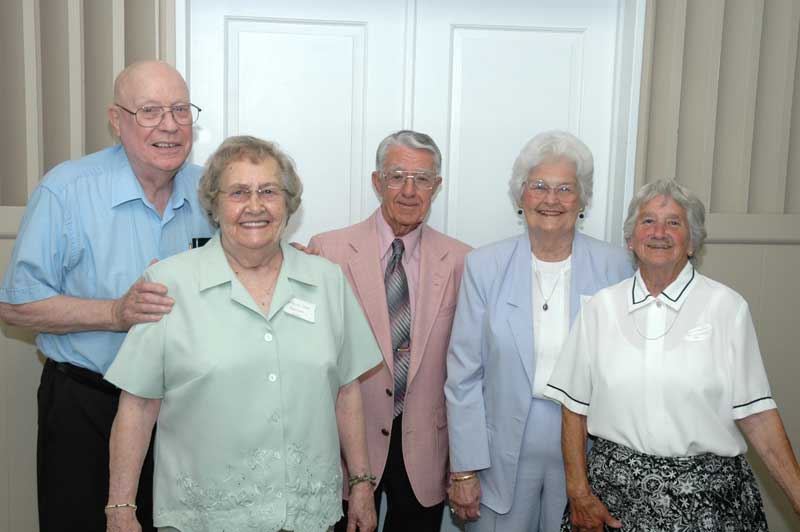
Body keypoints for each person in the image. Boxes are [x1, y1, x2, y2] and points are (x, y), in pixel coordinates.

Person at [104, 135, 382, 532]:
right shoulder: (168, 284)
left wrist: (360, 484)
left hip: (306, 516)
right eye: (238, 192)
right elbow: (137, 405)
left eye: (268, 191)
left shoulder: (327, 281)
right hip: (204, 517)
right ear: (215, 206)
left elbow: (346, 391)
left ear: (288, 203)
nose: (255, 206)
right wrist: (120, 507)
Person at [0, 60, 210, 532]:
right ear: (116, 120)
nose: (170, 126)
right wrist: (116, 312)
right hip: (87, 404)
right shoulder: (67, 189)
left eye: (180, 109)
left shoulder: (210, 191)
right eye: (150, 111)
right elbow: (15, 303)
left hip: (185, 409)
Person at [546, 179, 800, 531]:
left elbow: (756, 415)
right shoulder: (600, 308)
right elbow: (573, 408)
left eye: (674, 223)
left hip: (709, 507)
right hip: (613, 505)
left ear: (693, 242)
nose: (659, 232)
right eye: (647, 221)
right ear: (630, 240)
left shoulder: (726, 308)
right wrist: (578, 493)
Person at [445, 130, 632, 531]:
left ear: (582, 200)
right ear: (520, 196)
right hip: (499, 451)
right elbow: (463, 376)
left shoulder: (616, 267)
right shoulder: (484, 266)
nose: (551, 199)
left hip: (590, 447)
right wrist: (464, 470)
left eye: (565, 188)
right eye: (540, 187)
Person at [307, 130, 471, 532]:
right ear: (377, 182)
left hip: (425, 449)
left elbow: (467, 368)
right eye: (397, 176)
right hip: (349, 444)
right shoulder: (327, 252)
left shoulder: (463, 261)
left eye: (423, 179)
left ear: (438, 186)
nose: (410, 191)